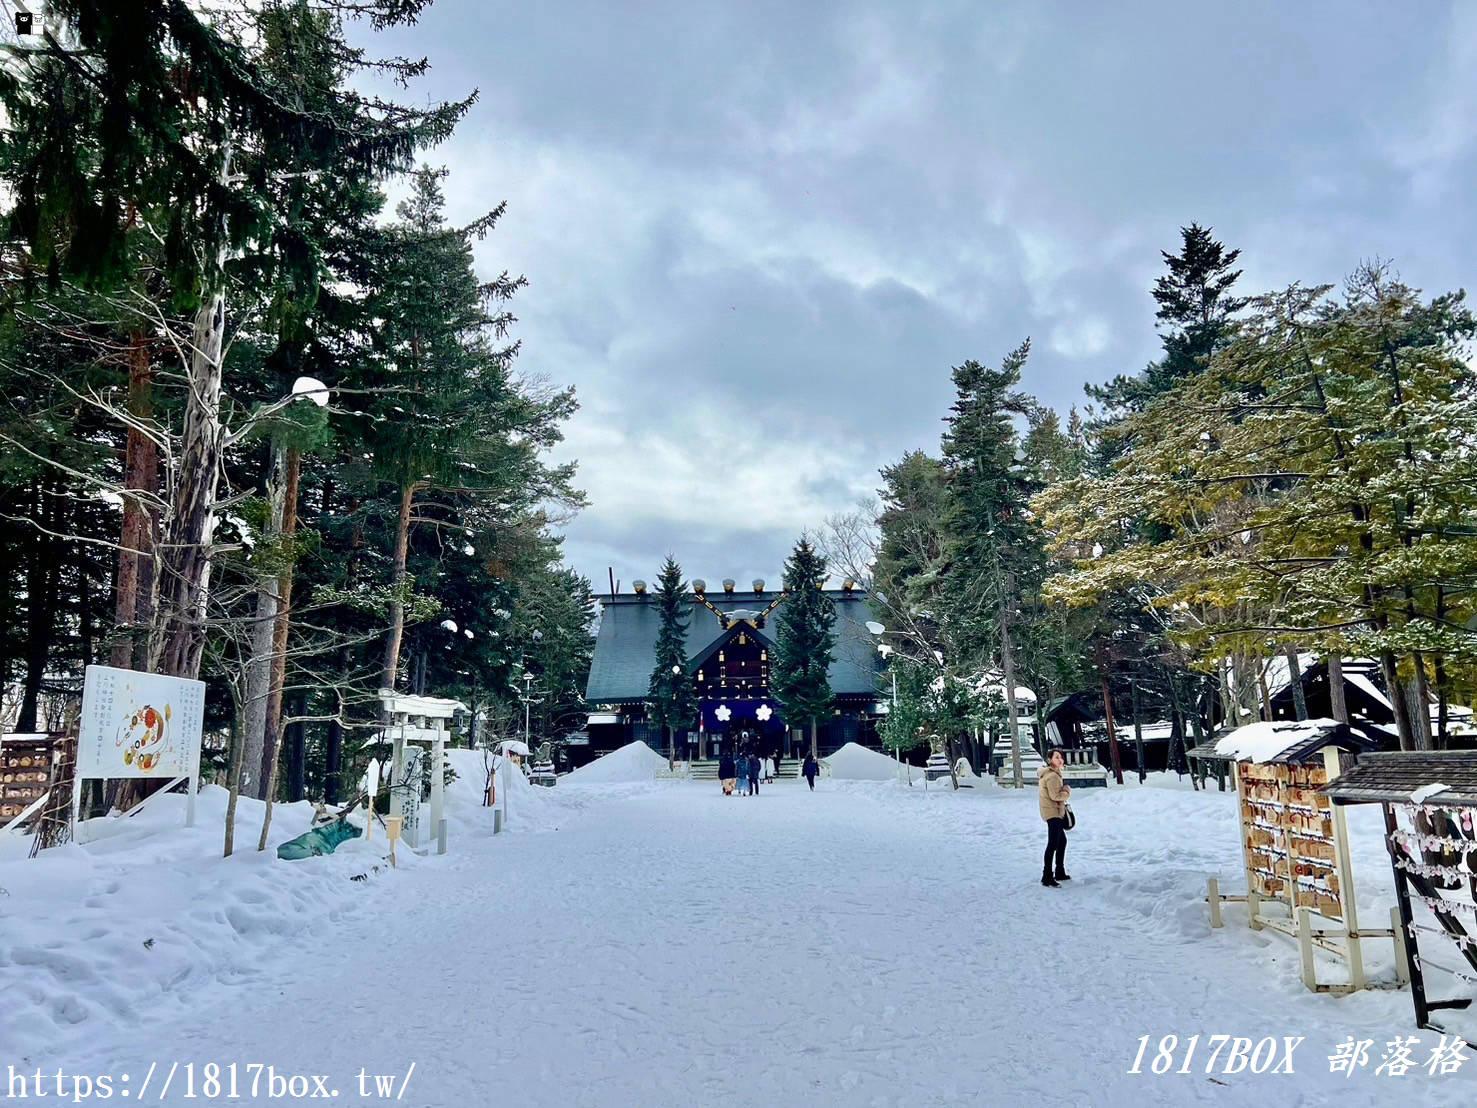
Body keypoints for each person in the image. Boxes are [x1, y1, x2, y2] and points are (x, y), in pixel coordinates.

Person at [1038, 747, 1072, 887]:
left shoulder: (1053, 774)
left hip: (1053, 811)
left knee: (1061, 841)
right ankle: (1047, 876)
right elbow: (1055, 796)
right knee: (1052, 844)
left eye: (1061, 757)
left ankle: (1059, 871)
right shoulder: (1052, 776)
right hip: (1053, 812)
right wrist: (1067, 792)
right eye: (1057, 757)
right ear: (1050, 760)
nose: (1060, 759)